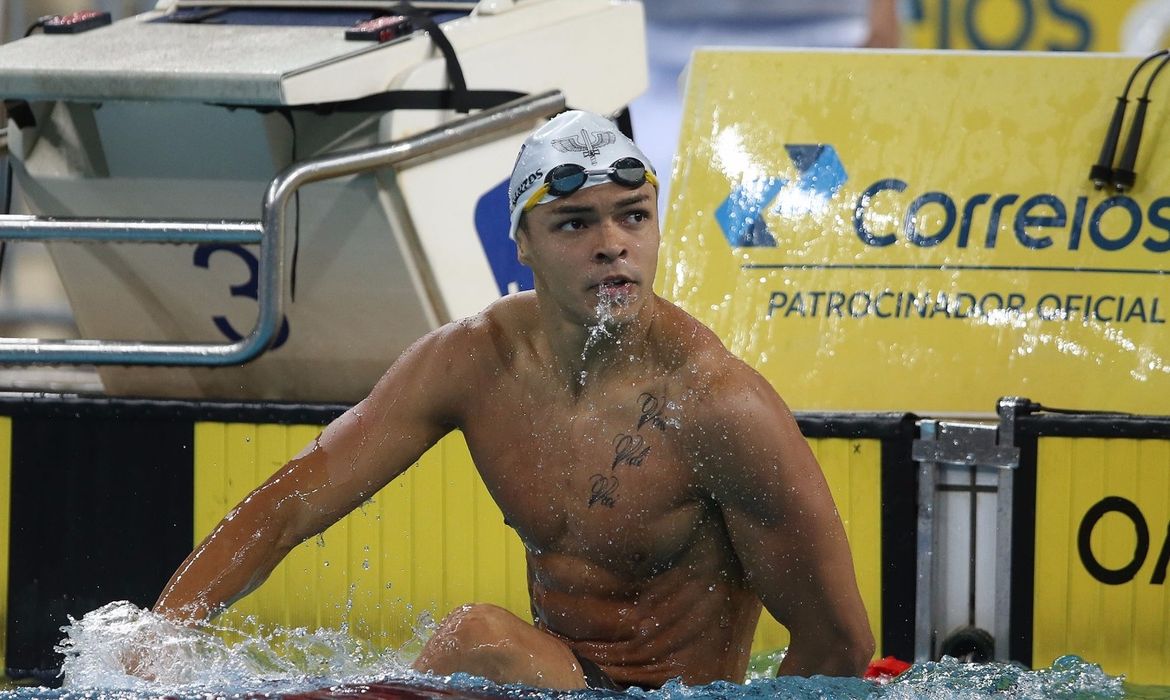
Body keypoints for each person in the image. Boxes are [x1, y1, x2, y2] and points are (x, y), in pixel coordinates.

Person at [148, 110, 874, 690]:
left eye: (633, 215)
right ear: (521, 242)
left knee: (480, 640)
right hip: (555, 679)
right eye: (575, 223)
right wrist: (161, 638)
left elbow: (840, 645)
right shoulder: (473, 360)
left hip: (663, 690)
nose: (612, 244)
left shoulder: (714, 405)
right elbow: (293, 502)